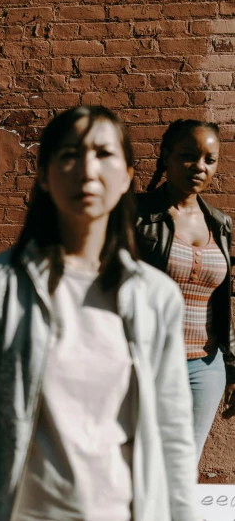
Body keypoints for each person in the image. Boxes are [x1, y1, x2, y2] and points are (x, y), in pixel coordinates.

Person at [0, 106, 198, 521]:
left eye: (103, 153)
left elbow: (173, 434)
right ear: (45, 176)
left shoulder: (157, 298)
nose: (87, 168)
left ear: (128, 176)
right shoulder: (1, 283)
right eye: (69, 154)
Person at [136, 119, 235, 462]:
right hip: (145, 362)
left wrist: (231, 363)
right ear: (166, 157)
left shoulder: (220, 224)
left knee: (180, 469)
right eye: (188, 156)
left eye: (210, 159)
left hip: (205, 367)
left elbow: (221, 304)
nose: (199, 167)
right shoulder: (134, 215)